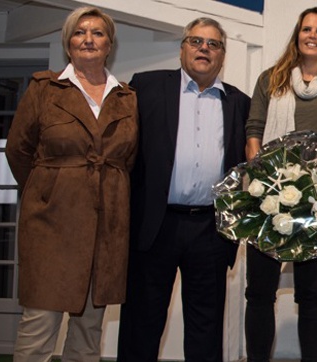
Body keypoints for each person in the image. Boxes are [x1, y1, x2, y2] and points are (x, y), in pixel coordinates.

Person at [4, 6, 138, 361]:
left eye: (97, 33)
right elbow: (18, 151)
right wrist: (48, 191)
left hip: (106, 231)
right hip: (50, 226)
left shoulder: (127, 97)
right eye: (80, 33)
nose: (88, 39)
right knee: (38, 329)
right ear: (68, 43)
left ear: (110, 44)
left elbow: (128, 159)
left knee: (88, 334)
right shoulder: (44, 89)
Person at [117, 17, 250, 362]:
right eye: (196, 41)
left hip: (210, 228)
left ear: (222, 55)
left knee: (206, 328)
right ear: (182, 49)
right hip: (156, 225)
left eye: (213, 44)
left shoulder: (239, 102)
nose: (204, 48)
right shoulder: (145, 87)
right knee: (142, 323)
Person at [243, 7, 317, 362]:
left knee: (310, 294)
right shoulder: (271, 79)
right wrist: (267, 181)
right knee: (260, 293)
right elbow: (254, 132)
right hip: (268, 199)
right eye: (306, 29)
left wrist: (311, 182)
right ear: (297, 36)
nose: (312, 35)